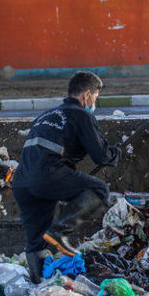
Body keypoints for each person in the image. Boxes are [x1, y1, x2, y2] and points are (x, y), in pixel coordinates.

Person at [12, 71, 120, 282]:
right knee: (99, 189)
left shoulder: (45, 116)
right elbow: (101, 155)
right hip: (48, 175)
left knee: (36, 243)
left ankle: (39, 287)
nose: (94, 103)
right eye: (95, 97)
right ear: (86, 95)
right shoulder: (81, 115)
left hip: (22, 183)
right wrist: (116, 153)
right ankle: (59, 231)